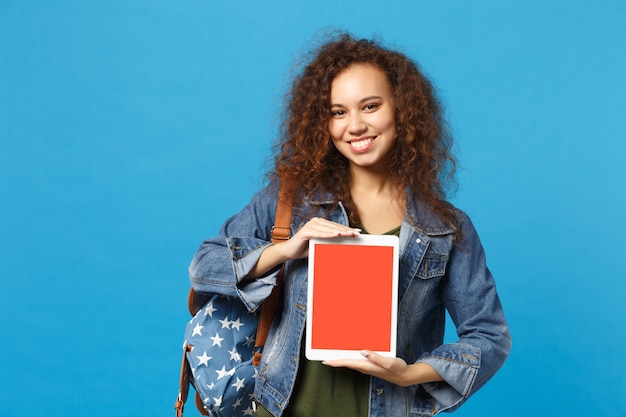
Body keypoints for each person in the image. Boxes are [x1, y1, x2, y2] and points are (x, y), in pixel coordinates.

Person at [189, 33, 511, 417]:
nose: (354, 125)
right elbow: (204, 266)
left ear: (402, 109)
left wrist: (410, 374)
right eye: (337, 112)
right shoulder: (289, 200)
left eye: (370, 106)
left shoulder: (445, 228)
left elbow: (488, 335)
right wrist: (284, 250)